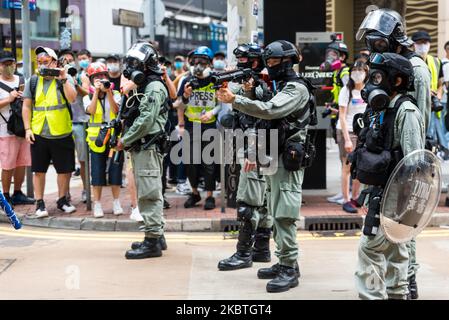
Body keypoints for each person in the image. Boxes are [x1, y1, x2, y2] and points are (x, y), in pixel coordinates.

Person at [217, 40, 316, 293]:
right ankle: (283, 261)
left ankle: (289, 268)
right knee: (273, 208)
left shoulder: (296, 89)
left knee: (284, 215)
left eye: (272, 62)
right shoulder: (281, 86)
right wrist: (249, 93)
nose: (268, 66)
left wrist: (236, 99)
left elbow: (270, 110)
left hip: (288, 159)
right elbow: (264, 116)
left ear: (285, 63)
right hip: (275, 156)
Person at [356, 8, 432, 299]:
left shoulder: (415, 68)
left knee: (401, 224)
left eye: (378, 41)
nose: (373, 47)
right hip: (383, 152)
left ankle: (407, 278)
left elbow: (419, 119)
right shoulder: (385, 64)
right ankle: (396, 283)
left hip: (404, 153)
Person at [217, 43, 273, 271]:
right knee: (262, 203)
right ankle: (261, 250)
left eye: (243, 60)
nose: (239, 64)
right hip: (261, 148)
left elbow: (260, 120)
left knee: (248, 204)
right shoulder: (254, 85)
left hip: (255, 148)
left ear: (255, 62)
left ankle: (243, 254)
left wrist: (252, 151)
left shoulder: (260, 87)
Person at [116, 42, 169, 259]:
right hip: (143, 146)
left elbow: (147, 120)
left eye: (135, 63)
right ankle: (156, 234)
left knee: (148, 194)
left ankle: (152, 241)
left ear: (147, 65)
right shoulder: (146, 85)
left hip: (147, 145)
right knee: (148, 190)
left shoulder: (154, 87)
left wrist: (125, 139)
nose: (130, 68)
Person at [22, 46, 77, 218]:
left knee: (64, 170)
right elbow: (26, 106)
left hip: (62, 131)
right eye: (39, 63)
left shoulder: (64, 78)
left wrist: (63, 78)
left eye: (46, 62)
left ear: (54, 62)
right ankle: (40, 203)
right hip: (39, 132)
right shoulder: (33, 81)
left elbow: (72, 98)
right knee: (39, 171)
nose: (42, 66)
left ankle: (62, 200)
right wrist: (27, 129)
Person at [177, 46, 221, 210]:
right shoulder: (186, 80)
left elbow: (222, 102)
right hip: (190, 126)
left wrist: (212, 113)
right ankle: (194, 193)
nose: (198, 64)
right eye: (195, 61)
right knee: (190, 162)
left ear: (209, 63)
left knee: (208, 162)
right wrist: (186, 96)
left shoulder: (215, 79)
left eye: (202, 61)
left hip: (209, 125)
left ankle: (209, 196)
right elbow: (179, 104)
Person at [84, 62, 124, 218]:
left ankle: (116, 202)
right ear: (92, 79)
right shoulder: (87, 96)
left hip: (113, 137)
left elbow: (116, 110)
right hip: (96, 140)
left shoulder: (116, 93)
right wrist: (95, 92)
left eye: (103, 76)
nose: (101, 79)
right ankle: (98, 204)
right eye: (97, 77)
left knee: (115, 170)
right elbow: (92, 111)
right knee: (97, 172)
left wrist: (108, 92)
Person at [0, 50, 35, 207]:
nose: (9, 67)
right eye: (5, 64)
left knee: (22, 162)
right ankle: (5, 196)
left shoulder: (23, 80)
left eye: (11, 63)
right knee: (8, 164)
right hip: (5, 129)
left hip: (23, 127)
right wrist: (9, 98)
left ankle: (18, 193)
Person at [336, 61, 368, 213]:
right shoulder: (346, 91)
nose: (357, 73)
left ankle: (355, 198)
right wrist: (347, 139)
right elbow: (342, 116)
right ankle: (346, 200)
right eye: (354, 70)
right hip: (347, 131)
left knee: (360, 167)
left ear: (366, 72)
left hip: (363, 133)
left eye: (360, 70)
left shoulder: (368, 91)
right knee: (347, 167)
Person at [322, 40, 351, 205]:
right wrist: (333, 105)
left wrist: (339, 110)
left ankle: (347, 195)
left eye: (333, 54)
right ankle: (343, 192)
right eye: (329, 54)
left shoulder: (344, 72)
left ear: (342, 56)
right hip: (337, 118)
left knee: (346, 160)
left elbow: (351, 95)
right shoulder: (336, 72)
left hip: (344, 121)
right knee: (343, 160)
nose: (330, 57)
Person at [59, 49, 89, 203]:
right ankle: (65, 194)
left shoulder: (80, 75)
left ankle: (86, 190)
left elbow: (87, 93)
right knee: (65, 161)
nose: (68, 63)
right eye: (65, 60)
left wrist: (75, 84)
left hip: (80, 123)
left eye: (70, 60)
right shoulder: (57, 76)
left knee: (83, 160)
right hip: (64, 123)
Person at [412, 31, 448, 156]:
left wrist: (437, 95)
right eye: (419, 43)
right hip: (415, 106)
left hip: (432, 108)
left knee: (430, 138)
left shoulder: (436, 62)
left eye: (425, 42)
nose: (423, 45)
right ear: (413, 45)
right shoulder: (409, 61)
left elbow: (440, 84)